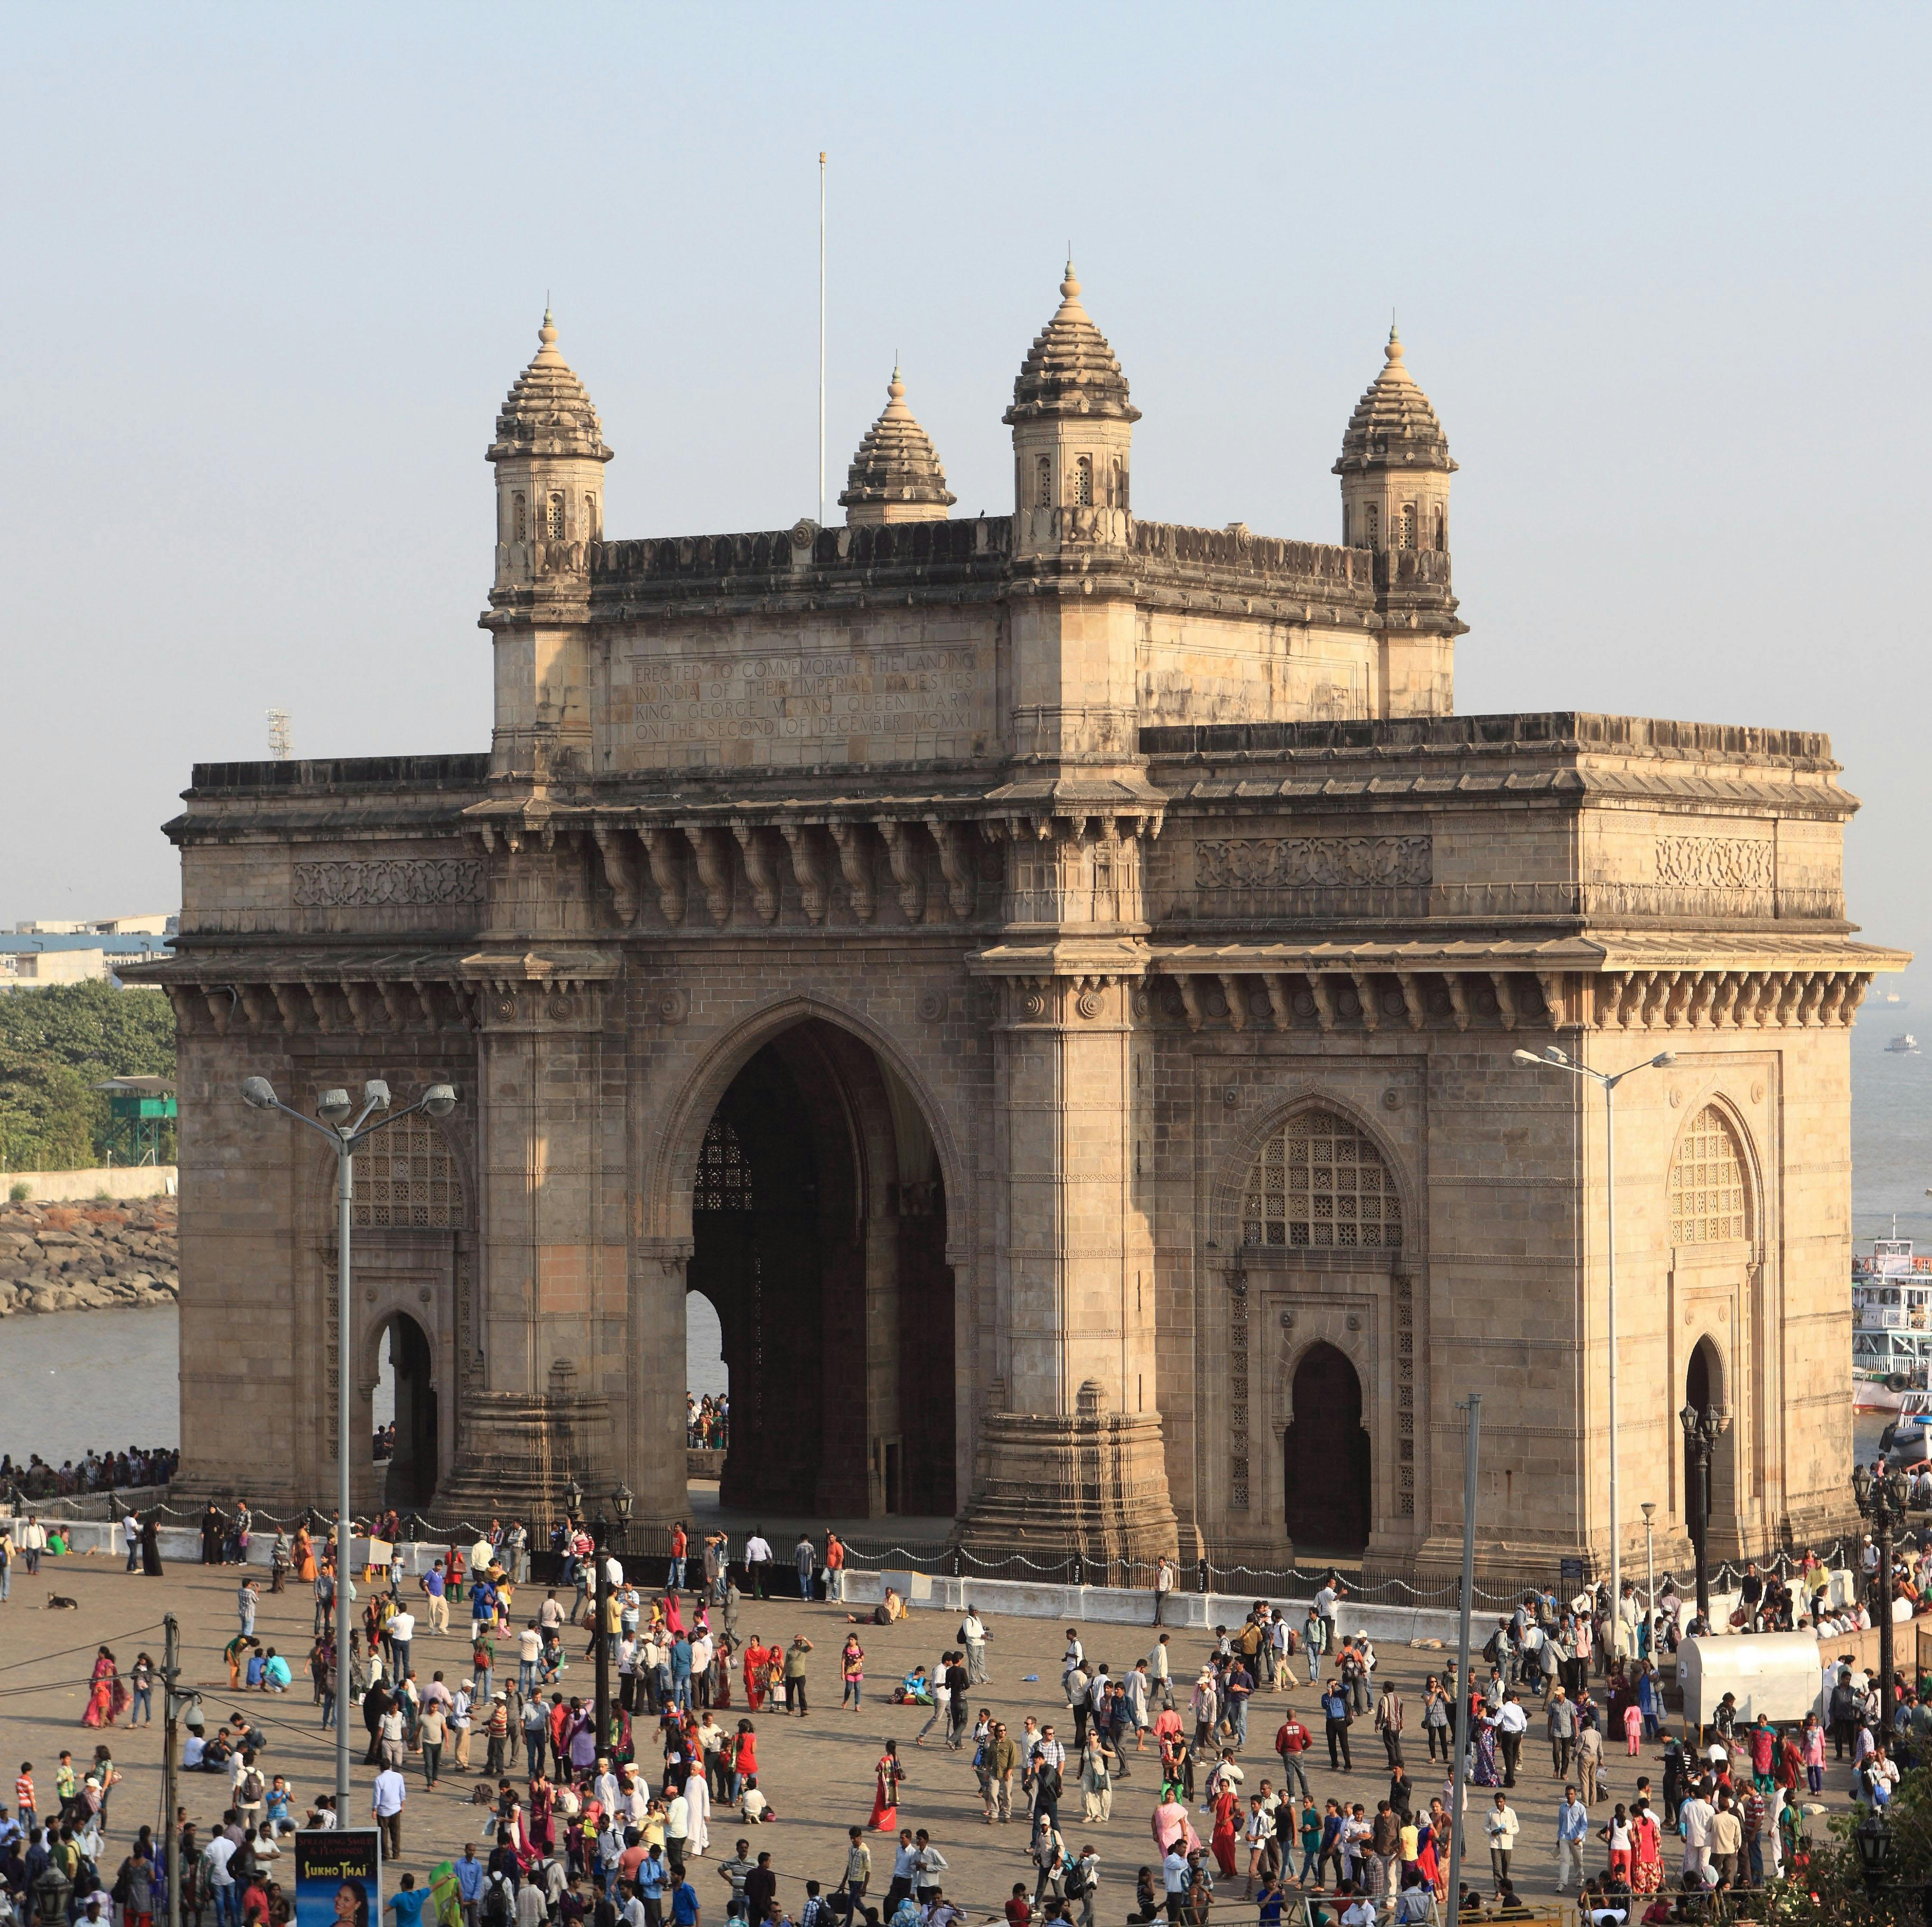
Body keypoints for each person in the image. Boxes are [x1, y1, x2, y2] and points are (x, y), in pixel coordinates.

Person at [372, 1758, 406, 1859]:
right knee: (396, 1832)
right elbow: (402, 1793)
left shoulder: (379, 1779)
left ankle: (385, 1854)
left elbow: (377, 1797)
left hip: (383, 1811)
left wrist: (374, 1809)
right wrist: (402, 1805)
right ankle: (396, 1853)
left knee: (383, 1833)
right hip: (396, 1808)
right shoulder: (398, 1776)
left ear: (381, 1767)